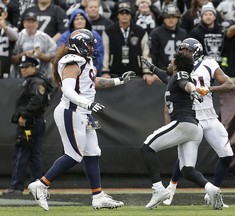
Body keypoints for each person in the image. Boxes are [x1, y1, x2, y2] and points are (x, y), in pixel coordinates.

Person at [27, 29, 136, 211]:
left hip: (81, 112)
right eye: (90, 44)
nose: (93, 47)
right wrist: (87, 104)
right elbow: (68, 90)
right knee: (74, 155)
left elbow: (94, 82)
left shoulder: (84, 60)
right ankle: (41, 184)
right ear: (81, 44)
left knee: (93, 152)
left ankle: (98, 196)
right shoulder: (72, 60)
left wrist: (119, 81)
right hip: (72, 111)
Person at [141, 37, 235, 207]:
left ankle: (212, 191)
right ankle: (172, 189)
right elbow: (170, 77)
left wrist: (206, 89)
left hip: (204, 117)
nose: (182, 54)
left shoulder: (206, 64)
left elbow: (229, 84)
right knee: (186, 164)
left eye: (186, 50)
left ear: (196, 51)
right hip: (193, 118)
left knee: (226, 154)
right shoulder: (181, 70)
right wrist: (152, 68)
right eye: (182, 50)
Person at [3, 56, 52, 195]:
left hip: (29, 123)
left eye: (26, 67)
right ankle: (38, 186)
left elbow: (36, 100)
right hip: (36, 121)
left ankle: (16, 187)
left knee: (22, 153)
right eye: (21, 67)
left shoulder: (35, 81)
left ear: (34, 67)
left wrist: (24, 115)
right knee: (34, 155)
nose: (23, 69)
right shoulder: (33, 81)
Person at [101, 1, 154, 85]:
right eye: (122, 13)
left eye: (127, 13)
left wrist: (146, 72)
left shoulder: (140, 31)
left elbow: (146, 53)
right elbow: (105, 52)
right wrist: (105, 71)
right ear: (118, 15)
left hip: (136, 74)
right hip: (114, 74)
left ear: (130, 15)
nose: (124, 15)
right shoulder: (109, 31)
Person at [57, 8, 104, 76]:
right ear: (72, 21)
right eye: (76, 19)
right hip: (70, 68)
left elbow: (99, 54)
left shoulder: (94, 35)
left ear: (86, 21)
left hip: (91, 69)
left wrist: (95, 68)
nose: (79, 21)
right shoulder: (65, 36)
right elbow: (59, 54)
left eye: (82, 18)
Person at [11, 12, 57, 78]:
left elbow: (53, 57)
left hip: (43, 75)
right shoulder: (18, 37)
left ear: (37, 24)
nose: (31, 24)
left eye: (33, 22)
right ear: (24, 23)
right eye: (28, 22)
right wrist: (23, 54)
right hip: (21, 77)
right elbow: (12, 59)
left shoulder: (45, 37)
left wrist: (41, 55)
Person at [149, 3, 188, 69]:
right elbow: (152, 55)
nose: (171, 20)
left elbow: (187, 55)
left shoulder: (183, 33)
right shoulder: (155, 33)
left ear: (177, 18)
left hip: (179, 71)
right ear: (163, 18)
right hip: (161, 72)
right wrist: (155, 71)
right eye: (168, 17)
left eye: (173, 17)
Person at [0, 2, 18, 78]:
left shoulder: (12, 28)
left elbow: (15, 37)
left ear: (5, 14)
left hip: (5, 72)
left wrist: (5, 28)